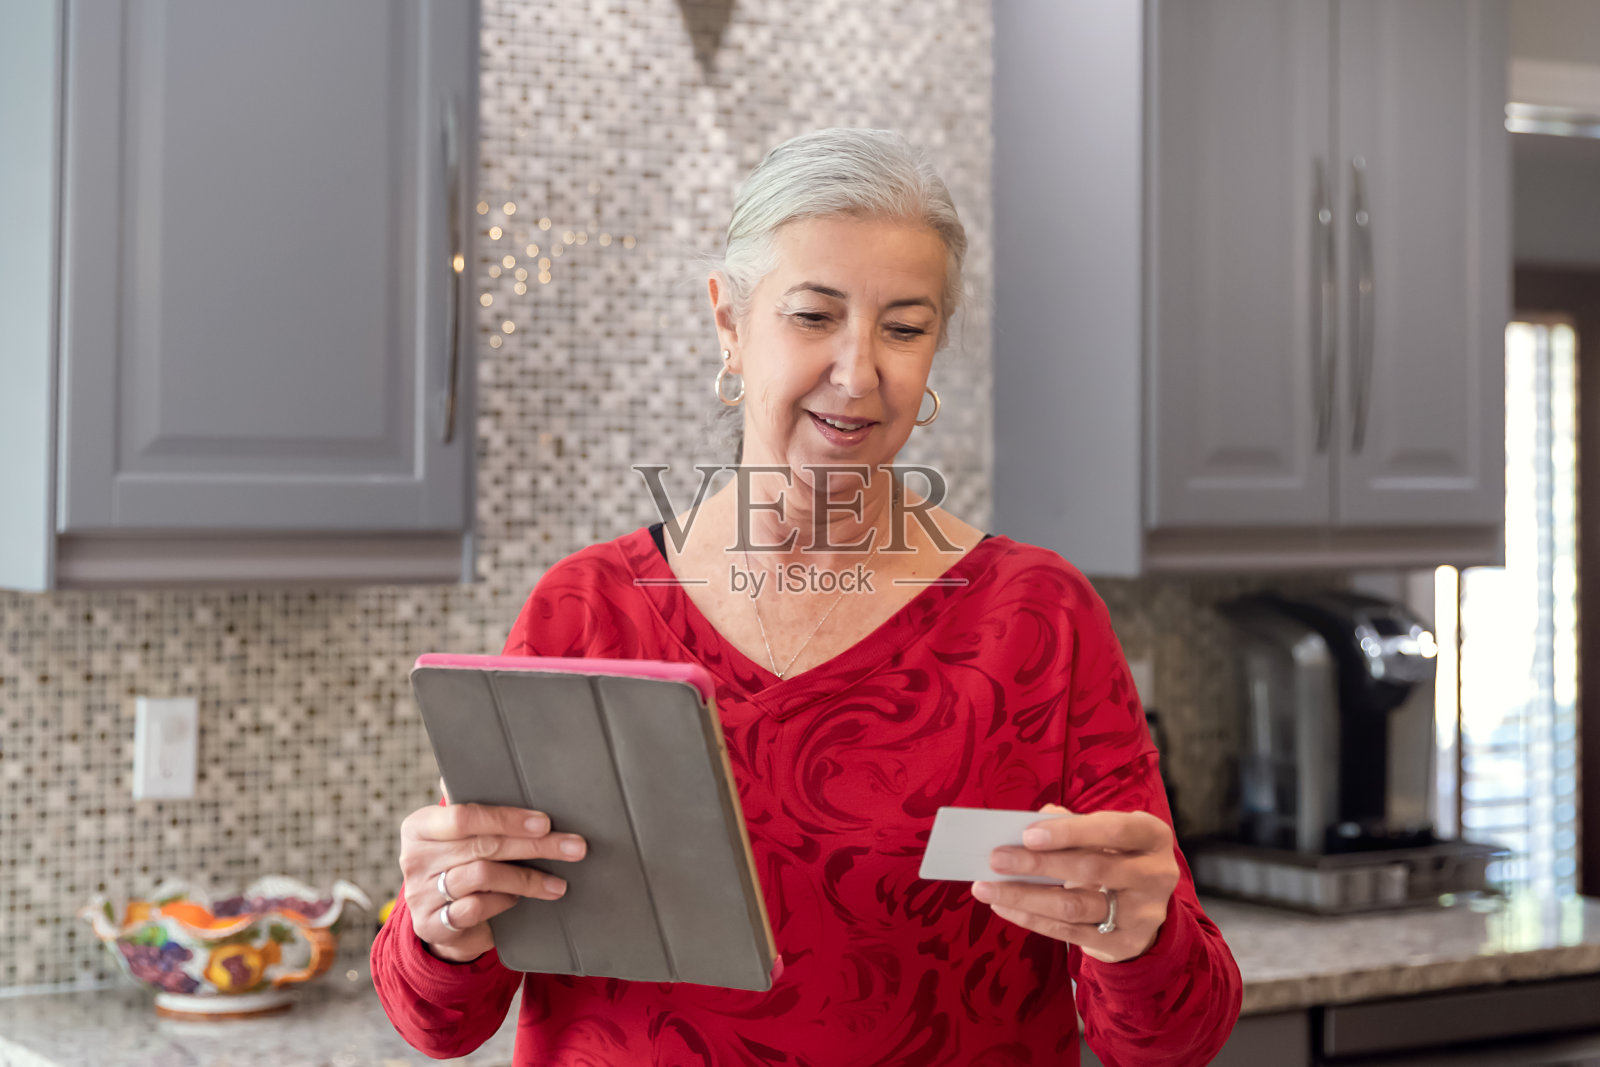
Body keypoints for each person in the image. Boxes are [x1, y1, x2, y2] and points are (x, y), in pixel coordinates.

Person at [371, 127, 1242, 1066]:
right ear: (730, 324)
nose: (859, 373)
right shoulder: (586, 612)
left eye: (904, 328)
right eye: (814, 316)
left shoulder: (1036, 620)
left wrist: (1141, 934)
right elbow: (441, 1021)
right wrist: (441, 919)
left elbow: (1172, 1039)